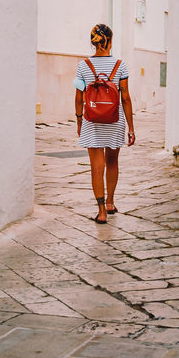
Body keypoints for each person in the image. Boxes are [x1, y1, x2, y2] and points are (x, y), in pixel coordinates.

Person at [74, 23, 135, 223]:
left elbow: (78, 96)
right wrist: (131, 127)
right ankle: (110, 202)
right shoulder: (120, 65)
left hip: (92, 120)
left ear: (93, 42)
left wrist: (79, 120)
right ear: (110, 40)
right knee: (112, 161)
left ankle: (101, 211)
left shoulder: (83, 65)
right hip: (114, 119)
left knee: (96, 166)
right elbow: (125, 97)